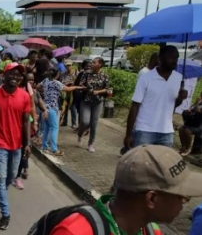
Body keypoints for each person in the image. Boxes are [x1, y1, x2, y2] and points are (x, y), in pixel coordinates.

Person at [34, 145, 202, 235]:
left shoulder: (151, 231)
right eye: (181, 195)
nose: (184, 202)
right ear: (151, 199)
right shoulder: (76, 231)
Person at [0, 63, 31, 230]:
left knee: (12, 176)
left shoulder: (25, 96)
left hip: (17, 144)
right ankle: (5, 213)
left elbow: (26, 121)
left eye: (18, 74)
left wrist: (27, 144)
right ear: (4, 75)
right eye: (12, 73)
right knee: (2, 176)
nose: (15, 77)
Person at [124, 45, 187, 150]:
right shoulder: (146, 78)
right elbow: (135, 106)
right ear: (160, 58)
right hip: (144, 130)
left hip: (167, 132)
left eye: (176, 57)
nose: (174, 61)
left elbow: (173, 105)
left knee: (162, 166)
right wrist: (128, 134)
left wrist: (180, 98)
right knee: (142, 164)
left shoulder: (178, 78)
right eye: (171, 57)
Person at [38, 68, 83, 156]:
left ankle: (44, 146)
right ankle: (54, 149)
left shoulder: (45, 81)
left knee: (47, 127)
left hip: (45, 107)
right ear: (57, 75)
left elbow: (38, 86)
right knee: (54, 128)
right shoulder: (57, 83)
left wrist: (44, 91)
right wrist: (77, 87)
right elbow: (67, 89)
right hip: (53, 108)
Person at [77, 57, 109, 153]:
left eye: (94, 62)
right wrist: (87, 89)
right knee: (85, 121)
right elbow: (81, 85)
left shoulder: (104, 75)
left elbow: (108, 88)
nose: (92, 63)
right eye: (92, 62)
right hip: (86, 101)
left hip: (98, 102)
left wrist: (98, 92)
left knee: (93, 124)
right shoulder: (86, 74)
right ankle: (80, 135)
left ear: (100, 65)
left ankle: (90, 144)